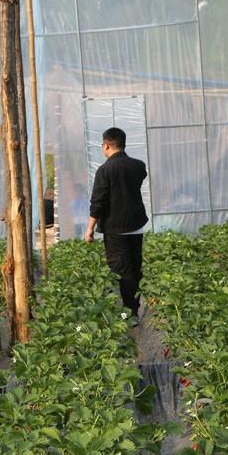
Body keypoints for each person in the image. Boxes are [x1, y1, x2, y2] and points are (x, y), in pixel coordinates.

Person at [85, 127, 148, 323]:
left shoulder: (105, 170)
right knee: (135, 266)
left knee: (122, 269)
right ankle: (134, 308)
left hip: (115, 227)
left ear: (106, 145)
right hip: (136, 224)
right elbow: (139, 178)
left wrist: (89, 229)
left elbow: (98, 202)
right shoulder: (138, 165)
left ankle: (129, 313)